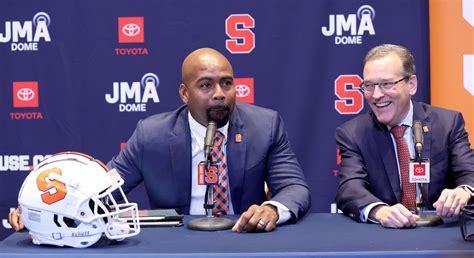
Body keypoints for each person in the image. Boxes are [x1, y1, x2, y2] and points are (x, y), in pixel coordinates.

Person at [9, 47, 310, 233]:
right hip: (177, 245)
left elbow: (295, 188)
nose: (219, 92)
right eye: (206, 85)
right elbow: (99, 192)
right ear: (184, 93)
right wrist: (40, 212)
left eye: (227, 83)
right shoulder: (150, 135)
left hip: (244, 239)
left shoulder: (265, 125)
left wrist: (271, 209)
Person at [335, 44, 474, 228]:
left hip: (442, 233)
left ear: (411, 85)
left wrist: (463, 191)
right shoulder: (352, 133)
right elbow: (350, 188)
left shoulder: (447, 123)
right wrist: (380, 211)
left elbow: (469, 173)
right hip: (385, 238)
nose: (376, 95)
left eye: (387, 84)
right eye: (369, 85)